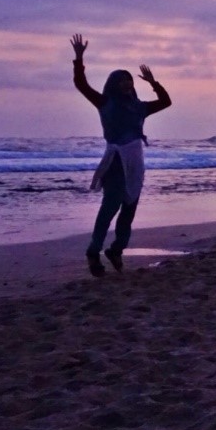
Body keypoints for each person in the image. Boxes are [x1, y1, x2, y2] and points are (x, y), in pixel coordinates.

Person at [70, 35, 172, 277]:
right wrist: (79, 58)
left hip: (136, 162)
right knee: (109, 207)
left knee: (129, 209)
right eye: (121, 80)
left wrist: (153, 82)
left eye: (128, 79)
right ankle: (93, 251)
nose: (126, 83)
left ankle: (116, 250)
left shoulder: (140, 106)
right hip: (115, 162)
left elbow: (166, 102)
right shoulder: (105, 102)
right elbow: (82, 85)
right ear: (113, 84)